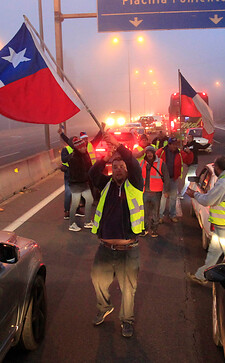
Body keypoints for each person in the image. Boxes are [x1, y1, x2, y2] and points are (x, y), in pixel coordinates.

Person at [88, 132, 144, 338]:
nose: (118, 169)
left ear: (127, 171)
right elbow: (93, 174)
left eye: (122, 167)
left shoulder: (135, 185)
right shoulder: (106, 185)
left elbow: (134, 164)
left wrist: (118, 146)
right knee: (98, 281)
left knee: (128, 289)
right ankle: (104, 307)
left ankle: (127, 321)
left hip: (128, 250)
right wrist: (105, 158)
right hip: (104, 248)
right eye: (115, 166)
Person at [185, 156, 225, 286]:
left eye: (214, 166)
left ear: (217, 167)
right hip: (224, 225)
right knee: (213, 254)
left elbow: (208, 200)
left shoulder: (224, 183)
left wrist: (194, 195)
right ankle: (202, 276)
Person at [157, 138, 193, 223]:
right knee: (163, 198)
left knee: (173, 198)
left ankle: (172, 215)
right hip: (163, 179)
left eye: (175, 144)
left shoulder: (180, 153)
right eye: (173, 144)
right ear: (168, 145)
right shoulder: (161, 151)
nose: (174, 146)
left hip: (173, 178)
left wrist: (189, 153)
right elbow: (154, 160)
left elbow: (188, 161)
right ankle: (160, 216)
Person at [64, 136, 94, 231]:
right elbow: (77, 173)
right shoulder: (74, 158)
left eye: (85, 146)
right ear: (78, 148)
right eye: (82, 147)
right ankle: (72, 224)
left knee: (89, 200)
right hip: (76, 184)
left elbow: (88, 166)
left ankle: (88, 221)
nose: (85, 148)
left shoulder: (84, 155)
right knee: (75, 204)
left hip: (83, 183)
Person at [140, 145, 169, 238]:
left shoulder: (161, 163)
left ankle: (154, 229)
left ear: (153, 153)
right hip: (145, 192)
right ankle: (144, 229)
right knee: (144, 212)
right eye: (147, 152)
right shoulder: (142, 163)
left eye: (151, 152)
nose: (149, 154)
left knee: (155, 212)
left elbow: (166, 177)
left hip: (156, 192)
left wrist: (166, 190)